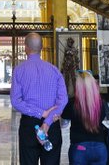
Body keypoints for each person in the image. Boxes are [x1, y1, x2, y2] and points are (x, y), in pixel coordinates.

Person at [11, 32, 68, 165]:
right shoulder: (54, 71)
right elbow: (63, 100)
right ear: (42, 47)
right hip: (51, 126)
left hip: (29, 127)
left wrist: (40, 113)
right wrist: (47, 121)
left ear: (26, 47)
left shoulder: (19, 70)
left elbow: (15, 101)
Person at [61, 71, 109, 165]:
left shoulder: (72, 103)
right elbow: (105, 119)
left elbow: (64, 124)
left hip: (80, 148)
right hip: (100, 147)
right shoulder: (102, 103)